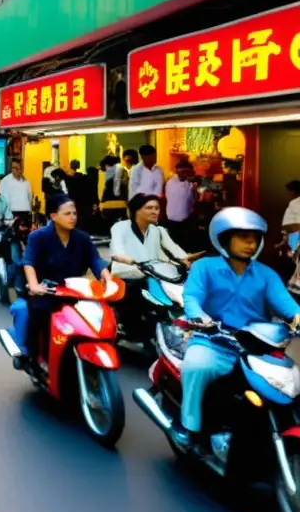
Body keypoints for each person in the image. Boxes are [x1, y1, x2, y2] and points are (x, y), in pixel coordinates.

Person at [174, 208, 300, 453]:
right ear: (224, 238)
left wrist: (297, 317)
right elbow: (191, 297)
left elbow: (288, 306)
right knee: (197, 367)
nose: (251, 244)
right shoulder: (204, 268)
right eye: (243, 237)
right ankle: (190, 428)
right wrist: (199, 317)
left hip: (257, 346)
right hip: (213, 340)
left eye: (254, 238)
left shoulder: (266, 274)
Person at [10, 195, 113, 363]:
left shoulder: (82, 238)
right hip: (46, 291)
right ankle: (34, 356)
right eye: (67, 213)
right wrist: (34, 285)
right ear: (53, 216)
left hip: (74, 291)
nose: (73, 217)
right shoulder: (38, 237)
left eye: (74, 213)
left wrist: (107, 278)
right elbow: (28, 262)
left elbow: (95, 260)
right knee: (40, 312)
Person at [109, 194, 192, 331]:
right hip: (126, 273)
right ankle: (127, 327)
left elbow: (174, 248)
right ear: (137, 210)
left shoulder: (158, 230)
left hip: (153, 272)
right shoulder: (120, 227)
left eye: (157, 208)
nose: (155, 211)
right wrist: (128, 260)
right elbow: (116, 250)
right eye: (149, 208)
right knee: (132, 296)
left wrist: (185, 259)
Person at [164, 160, 197, 249]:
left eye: (187, 172)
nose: (185, 174)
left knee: (185, 246)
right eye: (183, 172)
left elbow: (192, 200)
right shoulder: (172, 183)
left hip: (185, 221)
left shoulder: (189, 184)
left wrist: (194, 188)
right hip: (173, 221)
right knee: (175, 247)